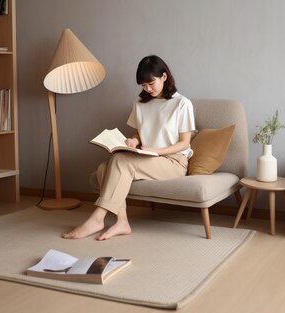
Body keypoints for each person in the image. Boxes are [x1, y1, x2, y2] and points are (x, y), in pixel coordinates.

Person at [62, 55, 195, 240]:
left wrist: (155, 151)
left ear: (164, 77)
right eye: (143, 86)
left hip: (173, 161)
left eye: (151, 83)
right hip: (147, 157)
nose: (148, 89)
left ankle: (97, 219)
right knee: (102, 169)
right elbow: (138, 134)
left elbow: (184, 143)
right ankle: (122, 221)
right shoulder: (140, 102)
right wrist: (133, 142)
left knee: (120, 162)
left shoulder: (182, 103)